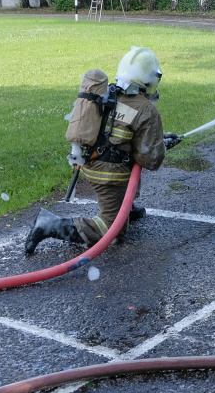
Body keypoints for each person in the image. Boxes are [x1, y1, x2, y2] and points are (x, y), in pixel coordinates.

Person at [25, 46, 180, 254]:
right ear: (149, 78)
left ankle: (126, 208)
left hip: (89, 162)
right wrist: (161, 147)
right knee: (112, 231)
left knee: (126, 162)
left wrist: (159, 140)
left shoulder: (110, 93)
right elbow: (150, 160)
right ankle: (49, 225)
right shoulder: (145, 109)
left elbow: (118, 134)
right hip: (108, 175)